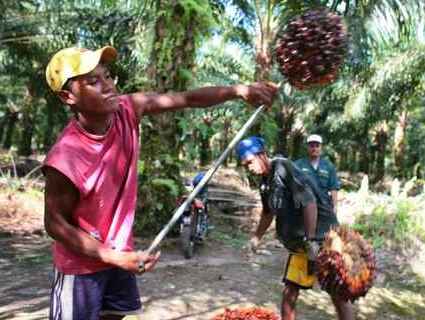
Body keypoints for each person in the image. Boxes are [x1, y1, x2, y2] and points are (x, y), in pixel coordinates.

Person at [43, 46, 278, 320]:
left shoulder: (128, 109)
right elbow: (55, 224)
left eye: (107, 76)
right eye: (93, 82)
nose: (108, 86)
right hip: (82, 270)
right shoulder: (66, 157)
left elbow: (187, 98)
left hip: (120, 258)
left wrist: (239, 91)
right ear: (67, 96)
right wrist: (112, 256)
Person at [236, 136, 353, 320]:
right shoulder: (265, 183)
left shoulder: (282, 167)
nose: (249, 167)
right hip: (301, 243)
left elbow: (309, 202)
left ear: (262, 154)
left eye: (250, 162)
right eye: (245, 165)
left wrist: (312, 241)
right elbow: (268, 213)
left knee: (336, 291)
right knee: (290, 291)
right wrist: (256, 238)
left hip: (322, 238)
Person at [295, 134, 340, 214]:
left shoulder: (329, 166)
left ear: (321, 147)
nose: (314, 149)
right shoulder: (298, 165)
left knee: (333, 225)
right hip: (304, 206)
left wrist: (335, 206)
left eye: (317, 146)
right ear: (307, 147)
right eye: (311, 146)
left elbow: (334, 188)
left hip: (324, 205)